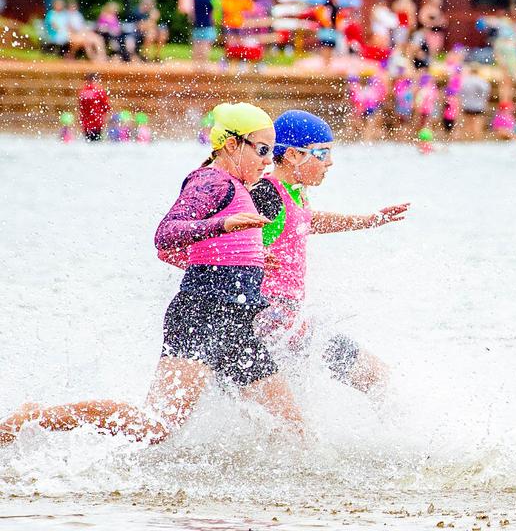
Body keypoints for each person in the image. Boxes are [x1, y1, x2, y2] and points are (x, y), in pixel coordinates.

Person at [1, 103, 304, 446]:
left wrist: (244, 258)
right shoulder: (210, 181)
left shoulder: (236, 185)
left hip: (235, 321)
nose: (268, 160)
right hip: (201, 314)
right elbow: (165, 234)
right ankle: (35, 416)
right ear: (232, 145)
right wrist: (224, 225)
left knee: (295, 431)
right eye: (262, 150)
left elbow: (176, 254)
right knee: (155, 427)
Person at [249, 111, 408, 397]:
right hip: (271, 318)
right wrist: (254, 253)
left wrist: (369, 220)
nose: (330, 162)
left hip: (288, 319)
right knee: (376, 377)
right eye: (322, 153)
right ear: (294, 156)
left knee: (290, 404)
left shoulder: (295, 191)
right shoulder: (265, 194)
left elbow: (307, 221)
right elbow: (224, 238)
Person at [459, 65, 491, 140]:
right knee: (477, 123)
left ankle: (468, 139)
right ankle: (476, 138)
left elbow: (460, 92)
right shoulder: (482, 81)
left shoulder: (465, 81)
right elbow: (486, 92)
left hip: (467, 104)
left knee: (467, 123)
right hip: (478, 105)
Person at [77, 73, 111, 141]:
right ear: (95, 80)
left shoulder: (82, 92)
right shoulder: (99, 91)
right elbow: (106, 107)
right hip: (97, 122)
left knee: (88, 143)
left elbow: (80, 108)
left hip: (86, 124)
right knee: (96, 145)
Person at [192, 0, 217, 66]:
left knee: (197, 46)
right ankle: (204, 64)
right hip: (207, 25)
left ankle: (196, 65)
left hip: (197, 25)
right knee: (205, 46)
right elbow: (212, 13)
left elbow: (191, 13)